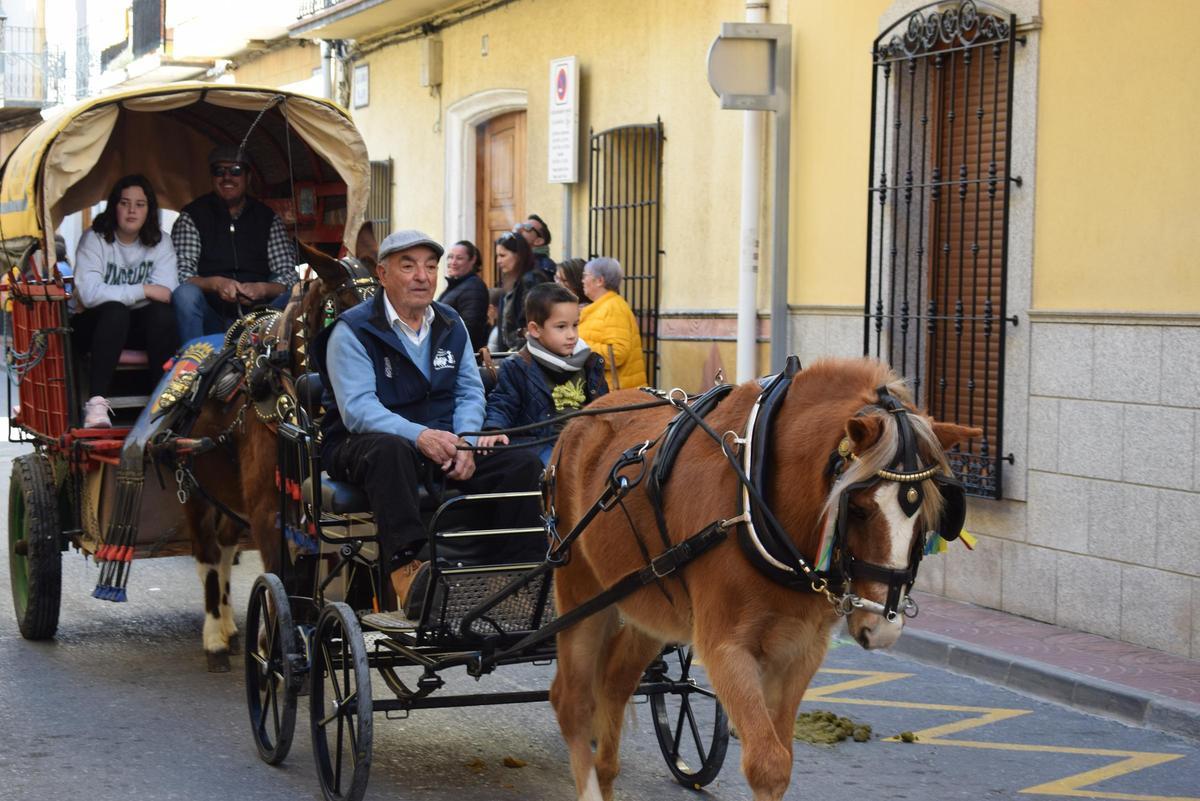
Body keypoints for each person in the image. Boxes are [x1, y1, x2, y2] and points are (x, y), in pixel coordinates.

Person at [312, 229, 546, 614]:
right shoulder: (352, 330)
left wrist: (467, 441)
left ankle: (512, 578)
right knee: (389, 452)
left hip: (446, 441)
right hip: (365, 444)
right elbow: (358, 411)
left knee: (520, 463)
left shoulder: (450, 323)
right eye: (409, 266)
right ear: (383, 275)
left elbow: (470, 391)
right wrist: (421, 436)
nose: (423, 276)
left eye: (430, 266)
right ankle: (407, 571)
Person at [72, 174, 179, 428]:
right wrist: (143, 289)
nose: (132, 210)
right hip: (96, 325)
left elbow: (166, 292)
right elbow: (89, 293)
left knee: (162, 314)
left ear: (149, 210)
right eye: (125, 203)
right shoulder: (95, 238)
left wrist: (126, 292)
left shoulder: (161, 242)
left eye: (140, 204)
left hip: (140, 327)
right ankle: (96, 404)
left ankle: (161, 401)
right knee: (116, 311)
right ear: (114, 207)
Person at [171, 144, 298, 343]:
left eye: (236, 171)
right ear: (212, 178)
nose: (227, 177)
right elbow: (183, 276)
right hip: (210, 314)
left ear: (247, 178)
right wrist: (215, 284)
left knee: (300, 295)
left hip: (261, 319)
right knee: (184, 295)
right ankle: (193, 365)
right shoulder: (193, 216)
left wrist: (262, 289)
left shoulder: (267, 218)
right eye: (219, 171)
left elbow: (288, 277)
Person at [478, 284, 608, 464]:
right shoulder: (518, 367)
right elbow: (503, 403)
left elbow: (604, 406)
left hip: (587, 441)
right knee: (557, 468)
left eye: (575, 325)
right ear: (535, 329)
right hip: (543, 443)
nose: (571, 335)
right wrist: (494, 428)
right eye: (561, 327)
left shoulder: (590, 363)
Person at [578, 257, 648, 389]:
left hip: (615, 394)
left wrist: (579, 347)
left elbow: (617, 354)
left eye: (585, 276)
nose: (582, 281)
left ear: (599, 281)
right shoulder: (603, 306)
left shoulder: (613, 307)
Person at [495, 231, 551, 352]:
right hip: (512, 354)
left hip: (525, 355)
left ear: (519, 255)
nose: (498, 261)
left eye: (503, 255)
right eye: (497, 256)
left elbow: (531, 323)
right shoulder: (510, 280)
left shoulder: (531, 281)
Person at [437, 240, 489, 350]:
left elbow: (470, 330)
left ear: (472, 260)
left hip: (458, 356)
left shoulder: (474, 287)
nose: (453, 262)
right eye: (450, 257)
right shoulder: (456, 285)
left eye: (459, 258)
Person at [513, 214, 556, 282]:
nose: (519, 229)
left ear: (538, 241)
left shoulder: (545, 267)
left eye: (527, 227)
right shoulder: (514, 261)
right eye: (521, 225)